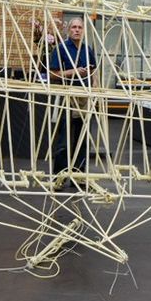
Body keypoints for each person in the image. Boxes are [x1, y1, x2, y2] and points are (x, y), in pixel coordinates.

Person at [47, 17, 97, 186]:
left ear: (83, 30)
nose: (77, 30)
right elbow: (52, 74)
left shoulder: (87, 50)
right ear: (69, 30)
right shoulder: (61, 49)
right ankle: (59, 178)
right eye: (74, 27)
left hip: (84, 97)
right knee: (64, 140)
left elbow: (93, 71)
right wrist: (73, 72)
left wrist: (95, 92)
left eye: (79, 27)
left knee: (83, 139)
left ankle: (79, 177)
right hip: (67, 97)